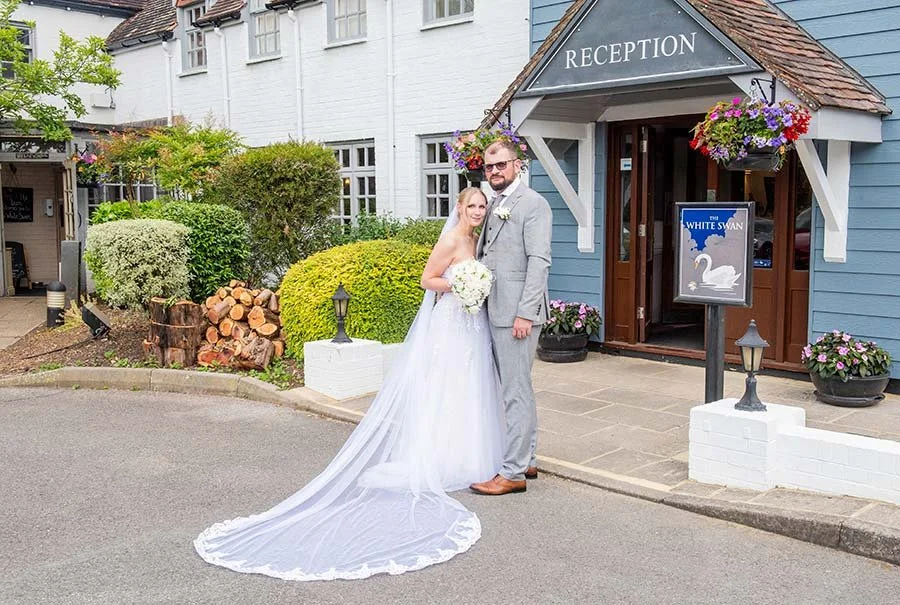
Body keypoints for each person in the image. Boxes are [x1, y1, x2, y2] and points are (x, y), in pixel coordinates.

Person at [194, 187, 505, 581]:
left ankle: (469, 453)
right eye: (472, 205)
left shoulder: (474, 239)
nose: (478, 211)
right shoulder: (450, 239)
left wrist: (473, 288)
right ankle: (441, 457)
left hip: (470, 325)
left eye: (482, 206)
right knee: (446, 391)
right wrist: (460, 285)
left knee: (468, 391)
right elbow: (429, 279)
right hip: (451, 324)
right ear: (460, 207)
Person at [470, 139, 552, 496]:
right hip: (495, 307)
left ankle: (513, 472)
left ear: (517, 165)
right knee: (518, 388)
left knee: (514, 392)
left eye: (501, 165)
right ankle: (527, 458)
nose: (495, 172)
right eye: (489, 167)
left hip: (517, 313)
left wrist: (525, 313)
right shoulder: (494, 203)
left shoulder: (533, 203)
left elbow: (539, 261)